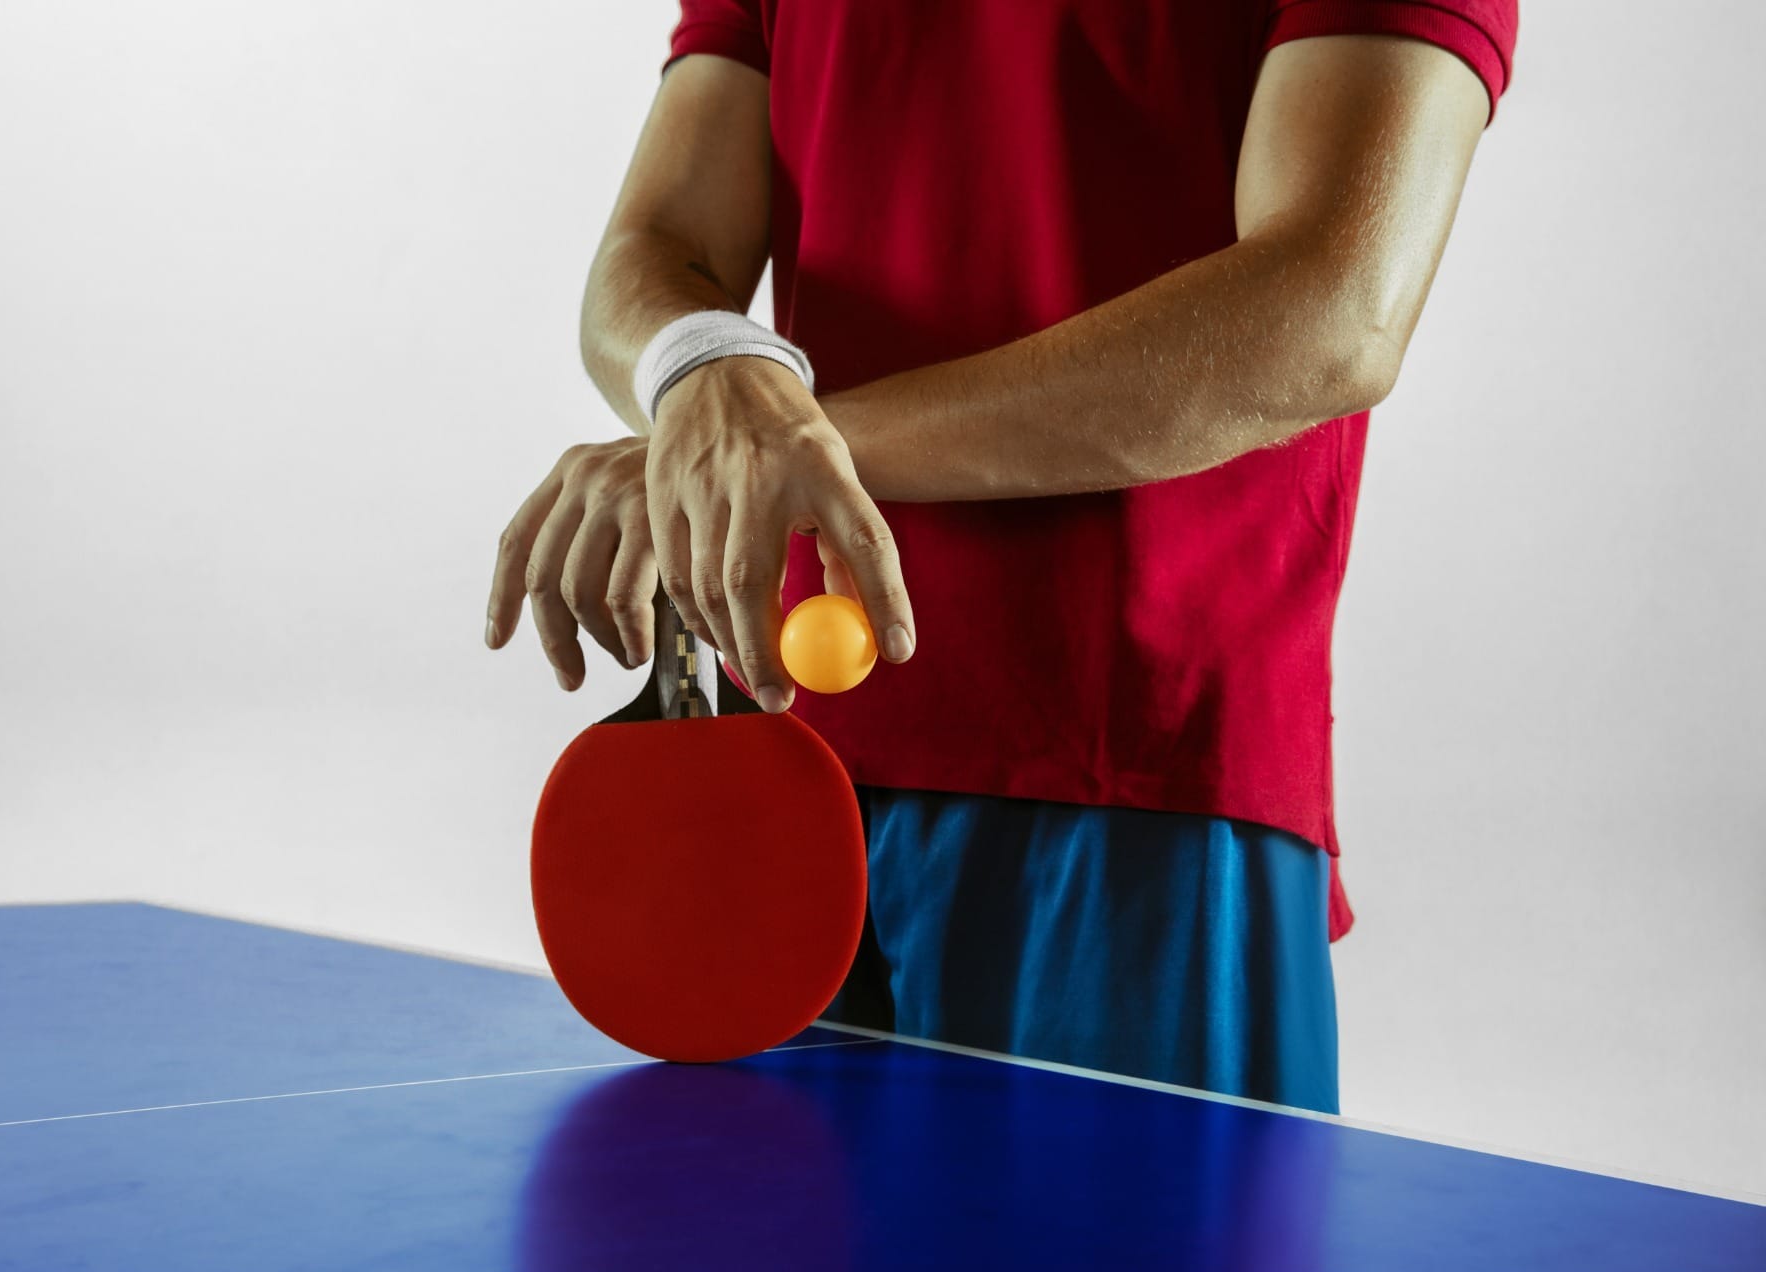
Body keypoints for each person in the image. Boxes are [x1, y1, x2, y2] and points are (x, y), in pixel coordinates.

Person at [487, 0, 1517, 1112]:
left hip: (1133, 782)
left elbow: (1332, 314)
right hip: (789, 782)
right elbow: (658, 250)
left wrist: (777, 447)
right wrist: (700, 366)